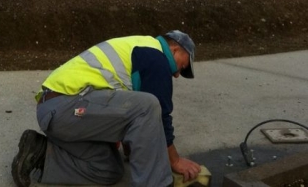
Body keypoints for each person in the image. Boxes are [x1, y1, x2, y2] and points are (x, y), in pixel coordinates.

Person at [11, 30, 201, 187]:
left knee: (109, 169)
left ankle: (40, 154)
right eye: (181, 66)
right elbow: (158, 115)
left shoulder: (139, 49)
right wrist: (175, 161)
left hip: (60, 116)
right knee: (149, 105)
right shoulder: (155, 56)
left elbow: (132, 116)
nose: (177, 74)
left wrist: (133, 149)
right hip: (64, 105)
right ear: (175, 49)